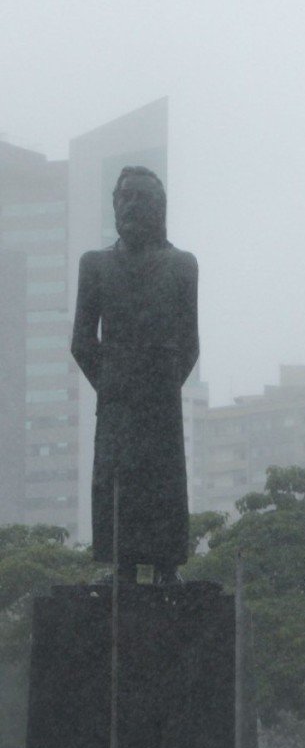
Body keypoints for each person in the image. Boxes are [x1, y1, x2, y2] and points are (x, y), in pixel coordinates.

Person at [71, 166, 199, 584]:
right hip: (117, 398)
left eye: (141, 197)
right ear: (115, 205)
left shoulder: (181, 266)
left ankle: (167, 566)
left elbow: (190, 342)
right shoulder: (95, 265)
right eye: (125, 196)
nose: (132, 204)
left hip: (161, 397)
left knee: (164, 479)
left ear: (159, 208)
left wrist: (159, 384)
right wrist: (112, 384)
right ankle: (119, 564)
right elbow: (82, 342)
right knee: (115, 478)